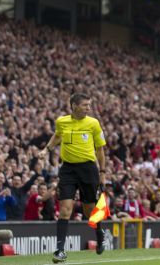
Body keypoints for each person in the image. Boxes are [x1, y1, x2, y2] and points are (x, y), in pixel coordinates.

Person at [39, 93, 107, 263]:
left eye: (89, 105)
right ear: (75, 105)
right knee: (64, 210)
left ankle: (99, 232)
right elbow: (57, 135)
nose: (88, 108)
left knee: (89, 211)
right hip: (68, 170)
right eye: (85, 105)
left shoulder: (93, 123)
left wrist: (103, 173)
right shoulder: (62, 121)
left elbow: (100, 150)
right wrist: (46, 149)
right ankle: (60, 251)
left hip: (88, 169)